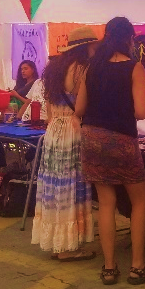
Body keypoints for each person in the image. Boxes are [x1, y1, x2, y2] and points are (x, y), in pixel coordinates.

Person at [76, 17, 145, 286]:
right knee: (139, 201)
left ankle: (110, 268)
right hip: (122, 140)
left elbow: (79, 109)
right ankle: (137, 267)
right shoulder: (134, 68)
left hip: (92, 138)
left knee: (106, 203)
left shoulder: (93, 67)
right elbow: (141, 112)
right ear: (129, 39)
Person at [32, 27, 98, 261]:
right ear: (85, 47)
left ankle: (57, 244)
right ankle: (69, 247)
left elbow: (48, 107)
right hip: (72, 130)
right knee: (71, 188)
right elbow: (80, 109)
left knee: (54, 188)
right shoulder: (82, 70)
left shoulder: (54, 69)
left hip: (54, 130)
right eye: (93, 46)